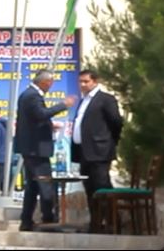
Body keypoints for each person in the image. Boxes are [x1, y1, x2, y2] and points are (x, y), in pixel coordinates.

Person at [15, 70, 77, 232]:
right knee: (45, 184)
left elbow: (35, 119)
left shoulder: (28, 94)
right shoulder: (32, 96)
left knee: (33, 186)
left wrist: (49, 125)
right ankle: (49, 219)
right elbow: (41, 114)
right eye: (50, 83)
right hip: (36, 149)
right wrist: (63, 105)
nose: (51, 86)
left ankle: (26, 220)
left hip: (32, 149)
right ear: (45, 82)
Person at [72, 69, 124, 233]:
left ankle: (113, 223)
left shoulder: (105, 99)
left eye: (86, 81)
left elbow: (116, 122)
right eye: (80, 81)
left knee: (102, 187)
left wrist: (108, 141)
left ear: (95, 82)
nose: (82, 85)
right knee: (90, 189)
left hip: (99, 151)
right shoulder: (83, 101)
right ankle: (96, 223)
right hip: (84, 152)